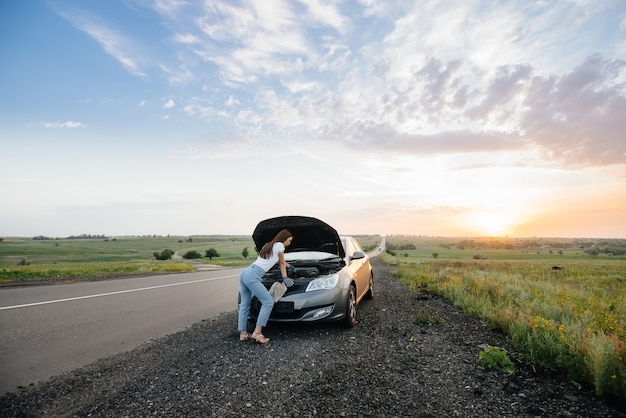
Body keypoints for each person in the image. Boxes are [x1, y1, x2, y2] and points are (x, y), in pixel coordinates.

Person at [238, 229, 294, 344]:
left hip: (246, 272)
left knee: (245, 304)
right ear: (284, 238)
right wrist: (285, 278)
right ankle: (257, 333)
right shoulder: (280, 245)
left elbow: (278, 260)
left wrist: (289, 266)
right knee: (268, 302)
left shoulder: (268, 244)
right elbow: (281, 263)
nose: (289, 243)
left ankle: (243, 334)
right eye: (289, 240)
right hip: (253, 275)